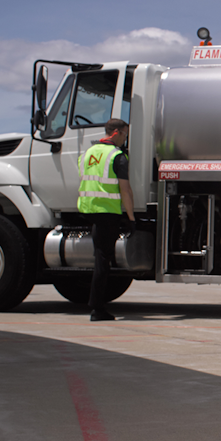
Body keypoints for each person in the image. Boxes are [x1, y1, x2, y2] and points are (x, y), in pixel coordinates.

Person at [77, 118, 134, 321]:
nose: (125, 139)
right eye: (125, 135)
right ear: (116, 133)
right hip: (107, 212)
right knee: (103, 260)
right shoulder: (117, 157)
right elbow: (125, 190)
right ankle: (97, 308)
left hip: (88, 209)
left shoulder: (88, 153)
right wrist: (131, 217)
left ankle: (96, 305)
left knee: (100, 256)